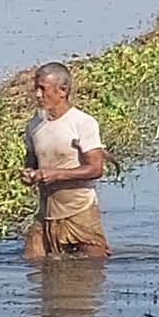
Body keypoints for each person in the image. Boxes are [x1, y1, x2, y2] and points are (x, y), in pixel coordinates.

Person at [20, 61, 110, 259]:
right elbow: (32, 161)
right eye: (36, 88)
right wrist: (28, 173)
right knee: (32, 261)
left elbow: (96, 168)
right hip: (47, 211)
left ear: (62, 91)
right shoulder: (33, 125)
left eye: (43, 89)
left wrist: (56, 175)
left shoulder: (82, 123)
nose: (37, 95)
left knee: (93, 265)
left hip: (79, 210)